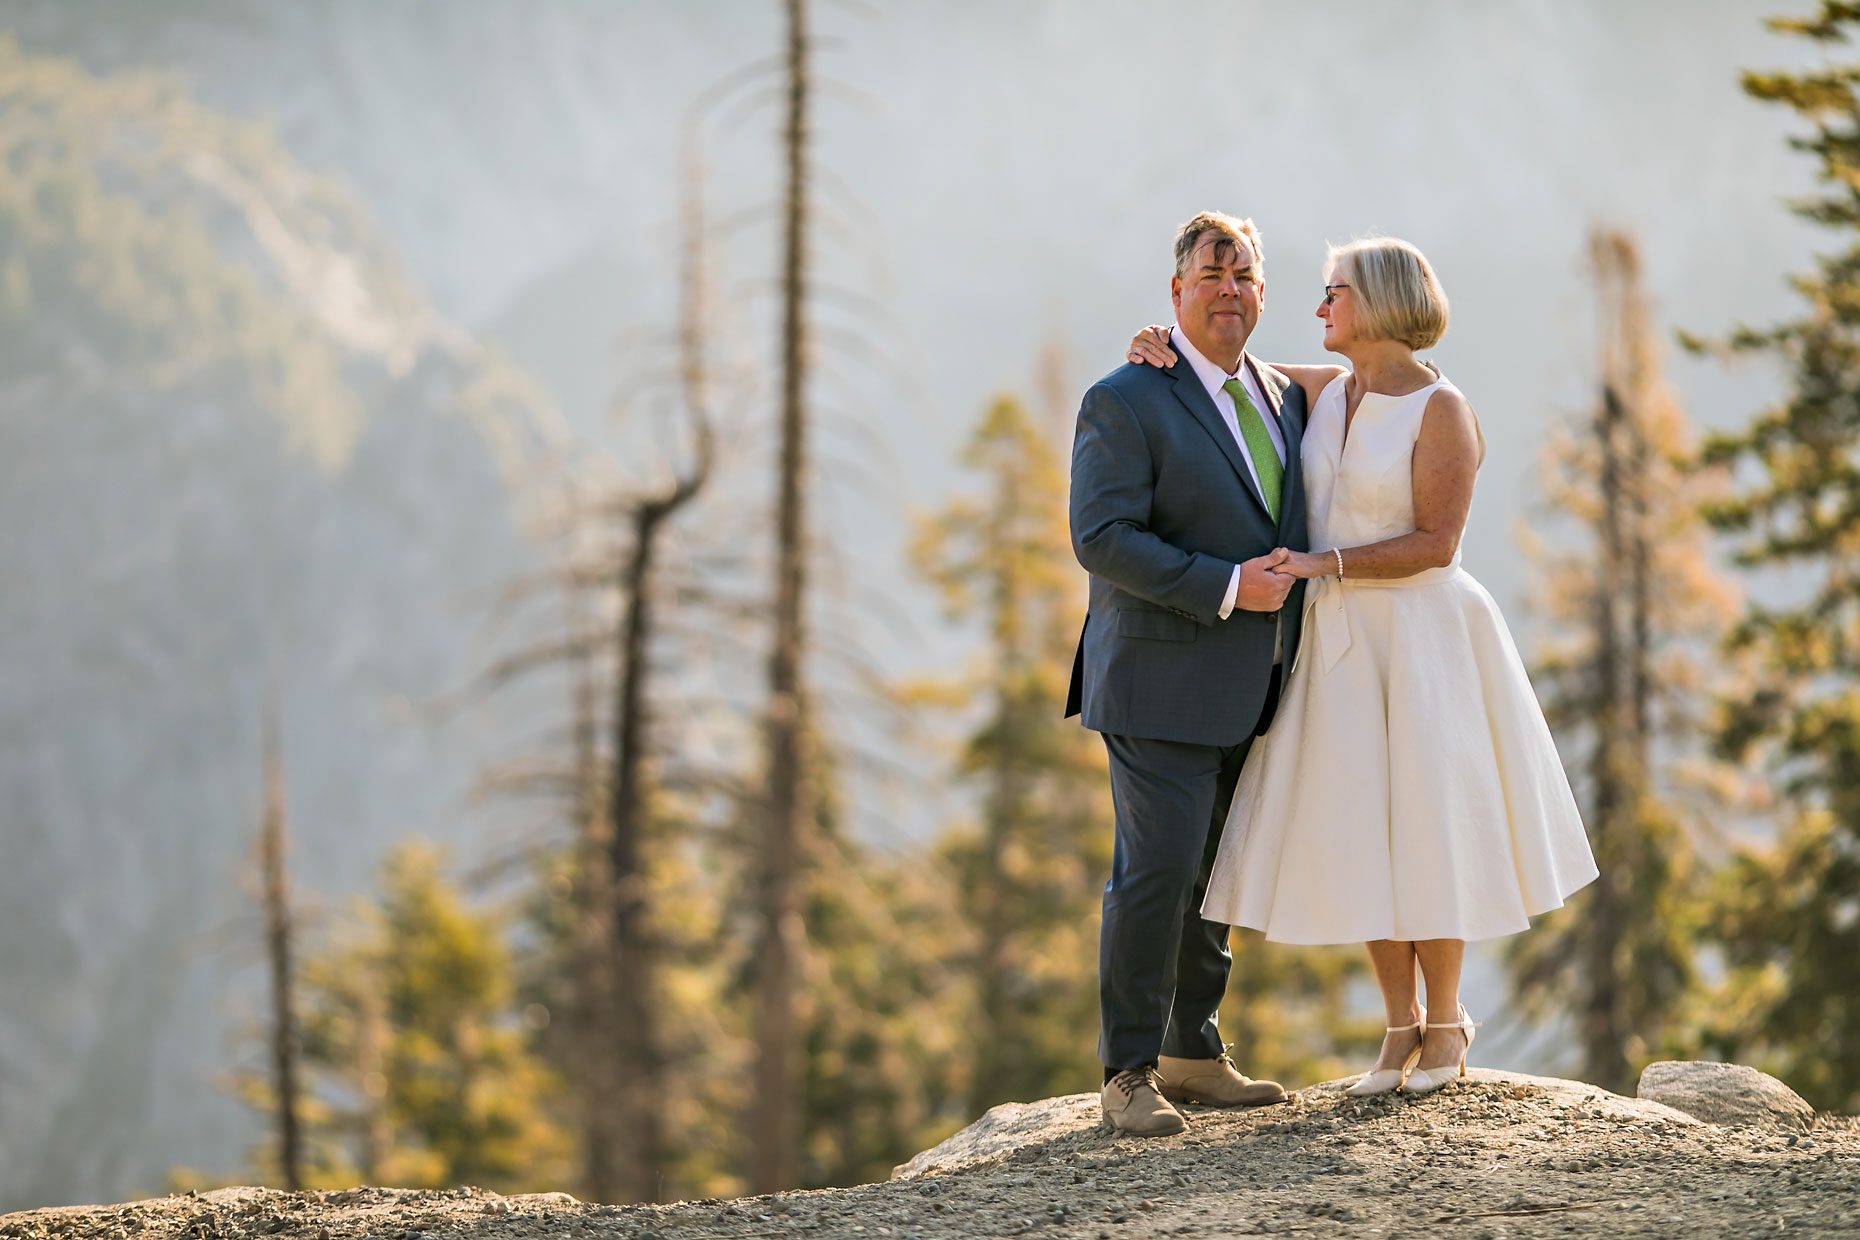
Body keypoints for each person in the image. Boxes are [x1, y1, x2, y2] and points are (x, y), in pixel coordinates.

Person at [1124, 236, 1598, 1099]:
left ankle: (1447, 1023)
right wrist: (1160, 341)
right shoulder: (1329, 390)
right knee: (1367, 823)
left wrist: (1320, 567)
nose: (1320, 308)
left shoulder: (1440, 407)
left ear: (1374, 303)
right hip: (1341, 645)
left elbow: (1436, 542)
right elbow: (1232, 372)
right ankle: (1398, 1031)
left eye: (1333, 292)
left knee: (1427, 821)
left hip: (1422, 641)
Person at [1066, 211, 1313, 1136]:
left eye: (1244, 275)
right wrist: (1223, 588)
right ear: (1174, 294)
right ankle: (1126, 1073)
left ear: (1261, 295)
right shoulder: (1125, 397)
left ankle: (1193, 1052)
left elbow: (1370, 380)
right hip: (1155, 681)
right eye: (1210, 274)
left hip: (1252, 685)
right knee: (1157, 871)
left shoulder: (1285, 394)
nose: (1227, 289)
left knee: (1217, 870)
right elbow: (1101, 537)